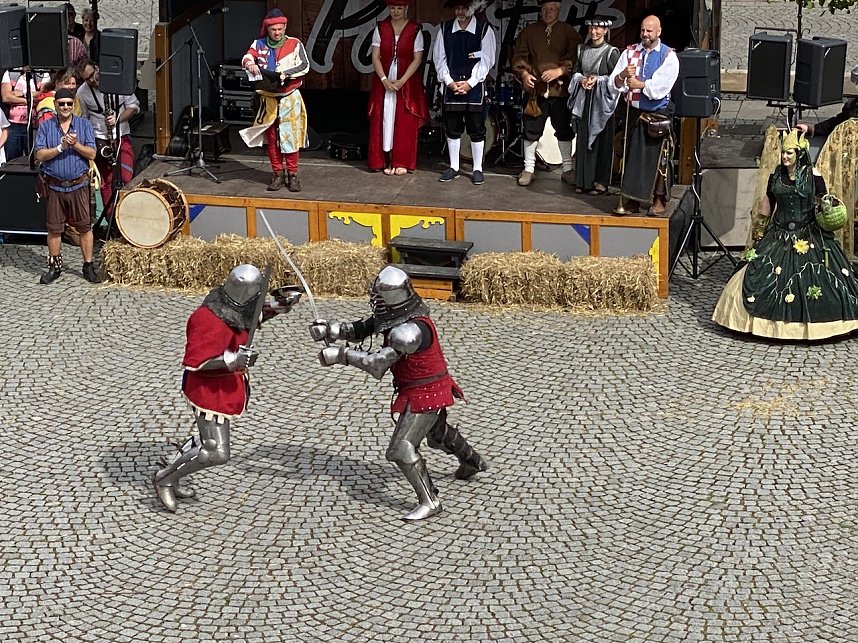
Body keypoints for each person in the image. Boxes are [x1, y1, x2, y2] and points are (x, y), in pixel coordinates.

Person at [309, 266, 488, 521]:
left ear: (391, 299)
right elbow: (362, 328)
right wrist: (330, 330)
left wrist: (341, 355)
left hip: (424, 393)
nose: (375, 302)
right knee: (436, 435)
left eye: (379, 297)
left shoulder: (408, 332)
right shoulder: (397, 315)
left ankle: (430, 501)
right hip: (425, 387)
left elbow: (377, 365)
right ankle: (472, 461)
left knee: (401, 449)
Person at [152, 265, 301, 512]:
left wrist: (277, 306)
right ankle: (164, 479)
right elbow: (195, 362)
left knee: (206, 441)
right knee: (216, 451)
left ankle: (175, 473)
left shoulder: (234, 307)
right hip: (208, 391)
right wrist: (232, 360)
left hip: (225, 386)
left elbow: (249, 318)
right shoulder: (205, 319)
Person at [712, 129, 858, 340]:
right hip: (778, 233)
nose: (785, 157)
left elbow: (821, 201)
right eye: (783, 153)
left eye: (789, 153)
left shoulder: (813, 175)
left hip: (807, 233)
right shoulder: (776, 175)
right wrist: (759, 231)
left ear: (799, 154)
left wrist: (828, 206)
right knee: (757, 274)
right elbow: (768, 202)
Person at [609, 15, 678, 215]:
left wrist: (641, 85)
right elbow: (613, 82)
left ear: (658, 31)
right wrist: (622, 76)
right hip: (633, 111)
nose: (645, 34)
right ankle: (631, 199)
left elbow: (661, 87)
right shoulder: (630, 52)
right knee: (632, 157)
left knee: (658, 159)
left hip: (656, 113)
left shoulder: (668, 56)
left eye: (649, 30)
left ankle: (658, 198)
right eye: (643, 30)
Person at [511, 0, 580, 187]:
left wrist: (560, 71)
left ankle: (567, 169)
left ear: (559, 11)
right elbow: (518, 56)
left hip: (561, 91)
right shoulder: (529, 32)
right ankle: (529, 169)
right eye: (545, 9)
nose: (548, 12)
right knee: (531, 130)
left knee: (564, 129)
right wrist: (524, 74)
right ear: (540, 11)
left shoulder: (568, 32)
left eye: (552, 9)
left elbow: (575, 57)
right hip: (536, 91)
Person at [240, 8, 310, 193]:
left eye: (280, 29)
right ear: (268, 29)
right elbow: (247, 57)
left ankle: (292, 175)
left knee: (291, 138)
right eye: (273, 30)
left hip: (289, 97)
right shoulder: (259, 44)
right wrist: (250, 63)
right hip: (269, 99)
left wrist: (286, 74)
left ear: (285, 27)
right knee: (272, 139)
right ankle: (277, 174)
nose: (277, 32)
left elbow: (304, 65)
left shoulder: (295, 44)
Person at [33, 87, 98, 285]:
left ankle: (88, 265)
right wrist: (60, 147)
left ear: (74, 105)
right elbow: (39, 155)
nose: (66, 107)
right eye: (61, 104)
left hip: (79, 184)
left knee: (85, 227)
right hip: (54, 186)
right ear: (56, 105)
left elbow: (92, 154)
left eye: (69, 103)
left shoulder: (84, 125)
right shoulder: (46, 127)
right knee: (54, 228)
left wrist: (75, 145)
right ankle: (54, 266)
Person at [432, 0, 497, 186]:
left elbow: (487, 59)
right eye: (457, 7)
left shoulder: (484, 30)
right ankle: (454, 167)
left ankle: (477, 169)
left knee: (476, 129)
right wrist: (450, 82)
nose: (460, 11)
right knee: (452, 129)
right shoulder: (444, 29)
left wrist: (470, 83)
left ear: (473, 8)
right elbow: (440, 58)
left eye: (464, 7)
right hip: (451, 87)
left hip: (474, 88)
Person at [367, 0, 428, 175]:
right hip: (384, 79)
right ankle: (384, 160)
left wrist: (401, 81)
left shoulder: (415, 29)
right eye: (392, 8)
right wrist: (384, 79)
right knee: (384, 117)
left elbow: (417, 59)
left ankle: (401, 161)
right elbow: (376, 57)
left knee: (404, 120)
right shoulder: (381, 28)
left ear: (406, 8)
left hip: (406, 80)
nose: (395, 11)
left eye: (399, 8)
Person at [77, 58, 139, 220]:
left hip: (121, 135)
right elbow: (83, 118)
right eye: (87, 79)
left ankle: (127, 216)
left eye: (92, 75)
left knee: (126, 178)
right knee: (107, 181)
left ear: (97, 68)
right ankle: (111, 219)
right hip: (100, 140)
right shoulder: (82, 92)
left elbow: (133, 107)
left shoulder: (118, 82)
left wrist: (117, 119)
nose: (91, 80)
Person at [567, 17, 620, 195]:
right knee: (583, 141)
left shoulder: (611, 52)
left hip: (602, 103)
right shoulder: (582, 49)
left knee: (602, 141)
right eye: (591, 28)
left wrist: (598, 80)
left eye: (598, 29)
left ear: (605, 31)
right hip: (585, 99)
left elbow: (615, 80)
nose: (594, 32)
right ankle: (583, 180)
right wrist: (581, 80)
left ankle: (601, 181)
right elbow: (576, 71)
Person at [1, 68, 50, 161]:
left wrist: (21, 94)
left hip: (36, 125)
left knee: (36, 159)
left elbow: (41, 96)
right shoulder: (10, 73)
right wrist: (29, 100)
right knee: (12, 160)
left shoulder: (43, 74)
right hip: (14, 125)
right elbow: (6, 97)